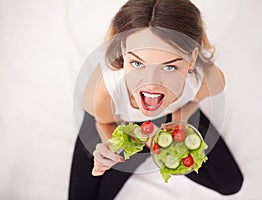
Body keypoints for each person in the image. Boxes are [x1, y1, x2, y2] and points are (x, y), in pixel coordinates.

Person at [68, 0, 244, 199]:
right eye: (137, 63)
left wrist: (178, 124)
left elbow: (192, 102)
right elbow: (104, 122)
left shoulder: (208, 80)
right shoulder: (102, 90)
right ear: (124, 51)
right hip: (115, 119)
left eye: (169, 67)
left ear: (192, 59)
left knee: (230, 184)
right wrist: (116, 146)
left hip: (170, 113)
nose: (150, 85)